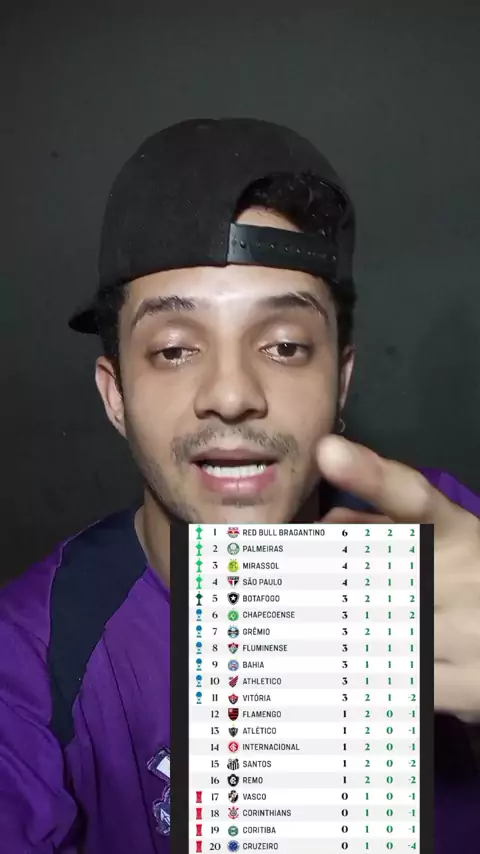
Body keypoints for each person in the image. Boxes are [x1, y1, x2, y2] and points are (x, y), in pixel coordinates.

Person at [1, 117, 479, 854]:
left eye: (285, 345)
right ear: (115, 395)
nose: (231, 393)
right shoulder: (31, 654)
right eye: (173, 350)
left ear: (341, 379)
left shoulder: (450, 555)